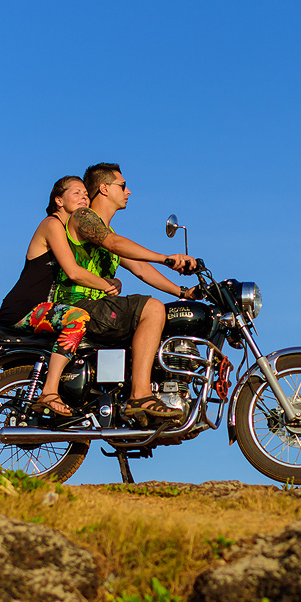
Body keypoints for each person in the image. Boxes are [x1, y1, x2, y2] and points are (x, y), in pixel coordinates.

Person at [50, 162, 197, 422]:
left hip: (96, 309)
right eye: (123, 185)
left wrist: (183, 292)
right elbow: (114, 243)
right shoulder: (82, 217)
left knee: (157, 317)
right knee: (151, 308)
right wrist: (166, 258)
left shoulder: (108, 232)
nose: (128, 192)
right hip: (78, 306)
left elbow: (140, 268)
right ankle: (140, 395)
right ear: (104, 188)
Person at [0, 176, 121, 417]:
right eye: (77, 193)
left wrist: (113, 281)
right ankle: (49, 392)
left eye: (86, 193)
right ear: (59, 200)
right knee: (78, 317)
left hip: (42, 307)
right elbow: (73, 271)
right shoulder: (51, 224)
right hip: (23, 308)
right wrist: (106, 285)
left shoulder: (70, 232)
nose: (84, 197)